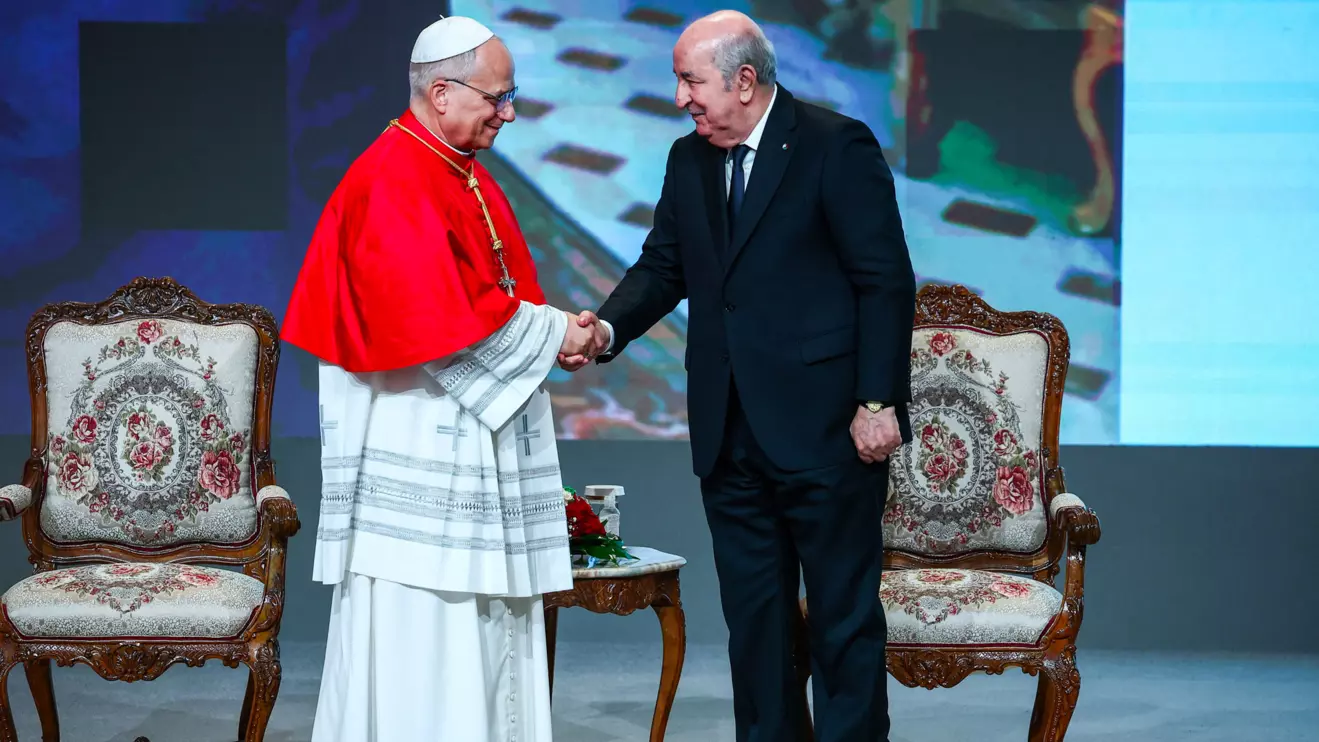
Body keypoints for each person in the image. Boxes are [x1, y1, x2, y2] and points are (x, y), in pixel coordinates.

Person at [561, 10, 916, 742]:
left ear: (744, 81)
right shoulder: (688, 159)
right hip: (729, 436)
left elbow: (883, 281)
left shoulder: (832, 146)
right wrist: (604, 329)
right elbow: (664, 265)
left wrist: (877, 400)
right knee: (756, 627)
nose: (681, 98)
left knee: (843, 622)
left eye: (691, 81)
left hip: (828, 434)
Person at [281, 16, 595, 742]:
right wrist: (556, 334)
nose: (508, 112)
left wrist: (550, 333)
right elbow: (438, 321)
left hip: (462, 447)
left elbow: (493, 294)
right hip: (423, 448)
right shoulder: (395, 178)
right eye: (499, 96)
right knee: (428, 630)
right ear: (443, 92)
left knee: (481, 627)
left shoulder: (454, 170)